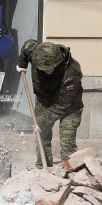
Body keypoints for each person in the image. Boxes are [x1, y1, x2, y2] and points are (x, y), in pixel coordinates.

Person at [17, 39, 85, 168]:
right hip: (44, 98)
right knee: (42, 135)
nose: (46, 71)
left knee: (67, 138)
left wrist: (41, 121)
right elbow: (26, 46)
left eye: (50, 68)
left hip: (70, 104)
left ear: (58, 62)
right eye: (43, 69)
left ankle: (69, 168)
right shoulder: (35, 51)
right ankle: (44, 165)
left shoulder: (72, 72)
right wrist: (22, 64)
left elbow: (61, 106)